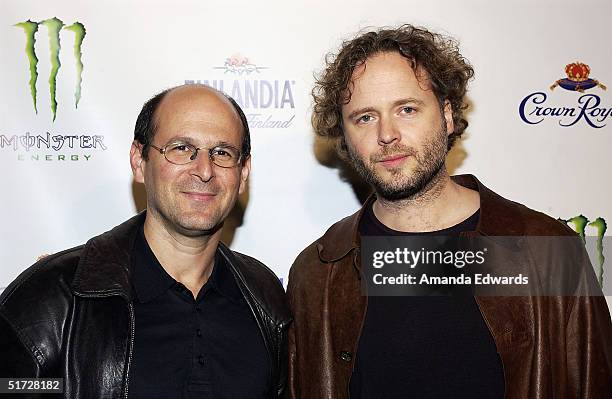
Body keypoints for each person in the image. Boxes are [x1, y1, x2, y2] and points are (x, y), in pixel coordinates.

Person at [287, 25, 612, 398]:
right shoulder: (319, 272)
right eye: (365, 117)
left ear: (446, 116)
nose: (387, 134)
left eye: (407, 109)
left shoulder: (546, 252)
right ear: (344, 135)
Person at [0, 84, 291, 398]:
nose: (204, 170)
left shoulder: (265, 298)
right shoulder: (53, 298)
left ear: (243, 172)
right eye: (181, 148)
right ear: (139, 161)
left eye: (222, 152)